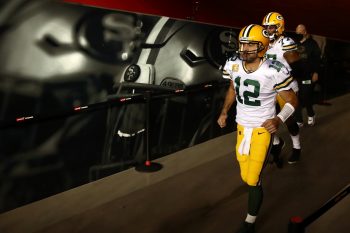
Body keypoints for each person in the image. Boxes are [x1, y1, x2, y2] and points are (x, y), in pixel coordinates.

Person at [217, 24, 298, 233]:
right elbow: (233, 88)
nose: (244, 49)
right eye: (242, 44)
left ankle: (250, 222)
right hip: (242, 126)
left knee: (253, 179)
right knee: (246, 176)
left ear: (261, 47)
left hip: (263, 127)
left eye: (250, 45)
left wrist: (278, 120)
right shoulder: (234, 64)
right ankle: (276, 149)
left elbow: (292, 100)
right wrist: (225, 111)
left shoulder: (273, 69)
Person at [262, 12, 303, 164]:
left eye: (271, 27)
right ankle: (277, 143)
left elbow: (297, 68)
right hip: (269, 86)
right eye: (266, 27)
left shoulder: (285, 42)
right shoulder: (264, 42)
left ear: (279, 27)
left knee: (288, 119)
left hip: (286, 85)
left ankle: (297, 147)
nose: (268, 30)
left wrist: (280, 71)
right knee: (264, 117)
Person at [294, 24, 322, 126]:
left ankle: (311, 114)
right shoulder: (294, 43)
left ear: (305, 32)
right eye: (296, 32)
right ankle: (299, 120)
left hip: (308, 76)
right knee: (296, 98)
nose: (298, 34)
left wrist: (316, 72)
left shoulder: (312, 44)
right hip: (296, 76)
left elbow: (317, 59)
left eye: (300, 32)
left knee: (306, 96)